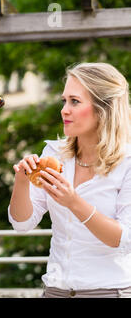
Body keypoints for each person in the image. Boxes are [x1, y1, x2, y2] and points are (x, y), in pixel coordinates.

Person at [9, 62, 131, 298]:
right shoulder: (53, 154)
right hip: (56, 291)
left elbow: (124, 239)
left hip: (109, 292)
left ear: (103, 108)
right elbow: (21, 224)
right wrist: (21, 181)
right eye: (64, 101)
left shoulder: (127, 162)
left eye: (75, 101)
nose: (64, 109)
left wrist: (74, 202)